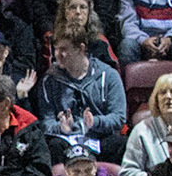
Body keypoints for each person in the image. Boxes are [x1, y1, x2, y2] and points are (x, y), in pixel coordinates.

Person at [35, 28, 127, 163]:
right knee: (52, 145)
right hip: (66, 140)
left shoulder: (108, 75)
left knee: (120, 143)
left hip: (99, 139)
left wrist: (95, 122)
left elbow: (119, 117)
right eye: (56, 49)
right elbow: (45, 121)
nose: (58, 55)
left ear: (81, 49)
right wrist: (61, 127)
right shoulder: (49, 80)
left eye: (64, 49)